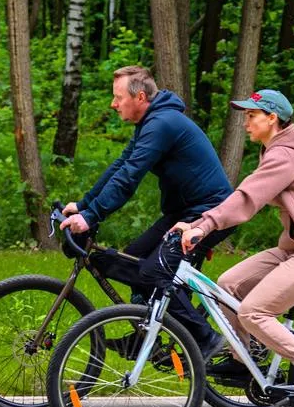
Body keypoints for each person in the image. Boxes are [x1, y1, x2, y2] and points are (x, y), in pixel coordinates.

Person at [174, 89, 294, 403]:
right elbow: (246, 196)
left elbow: (246, 197)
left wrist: (204, 225)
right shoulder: (276, 150)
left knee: (254, 312)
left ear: (272, 118)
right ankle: (247, 360)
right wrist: (201, 222)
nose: (246, 123)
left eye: (252, 116)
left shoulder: (284, 156)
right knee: (225, 286)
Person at [60, 66, 232, 358]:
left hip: (208, 213)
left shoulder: (162, 124)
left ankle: (205, 339)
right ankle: (149, 335)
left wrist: (91, 217)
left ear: (140, 97)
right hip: (183, 212)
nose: (113, 104)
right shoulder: (150, 123)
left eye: (118, 97)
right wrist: (86, 204)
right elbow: (121, 165)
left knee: (152, 273)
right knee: (134, 259)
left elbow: (130, 177)